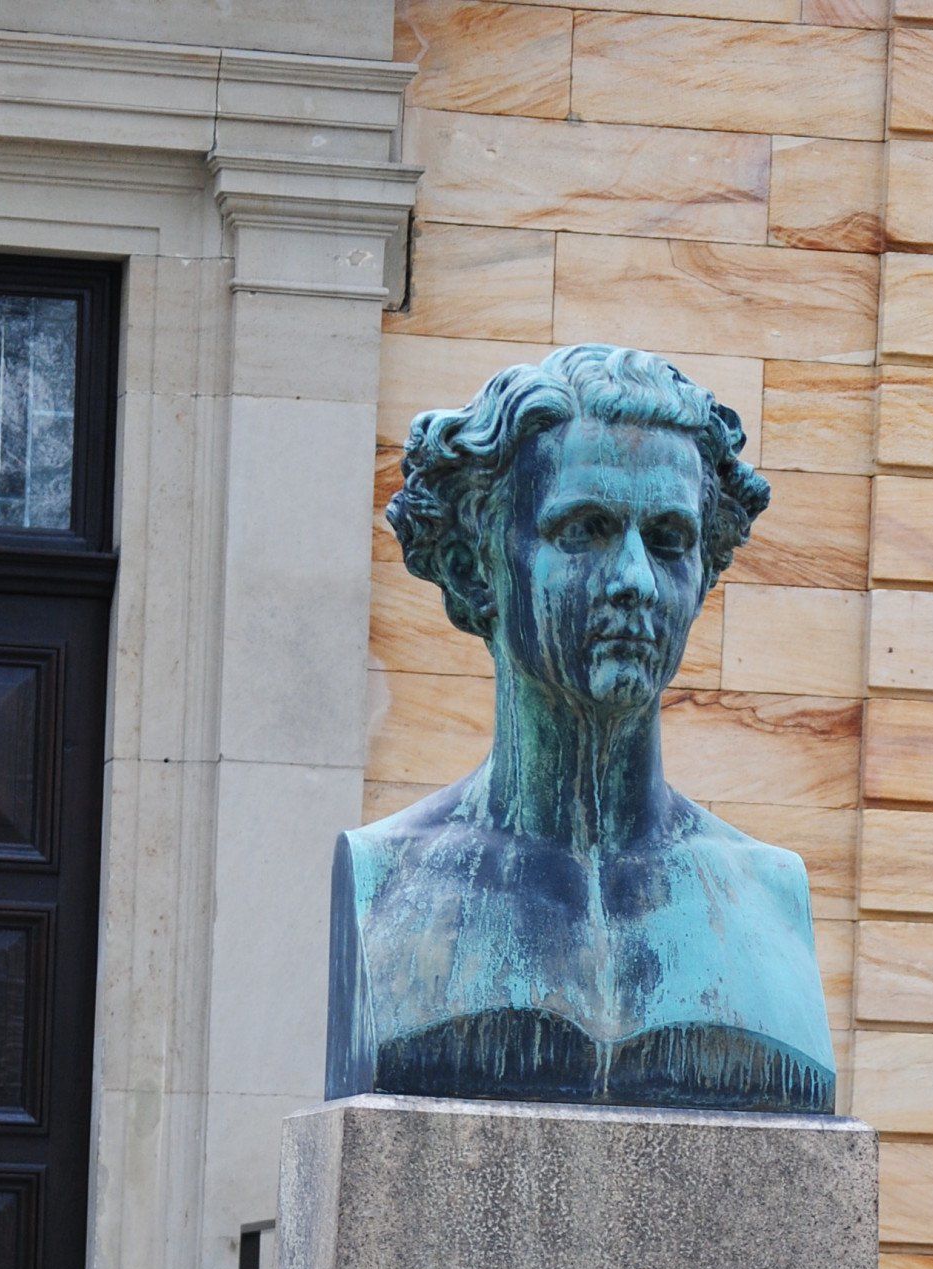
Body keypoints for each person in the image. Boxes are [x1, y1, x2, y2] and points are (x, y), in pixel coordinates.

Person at [327, 344, 837, 1112]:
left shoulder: (766, 898)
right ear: (476, 566)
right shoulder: (390, 885)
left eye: (668, 541)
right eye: (585, 531)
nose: (634, 581)